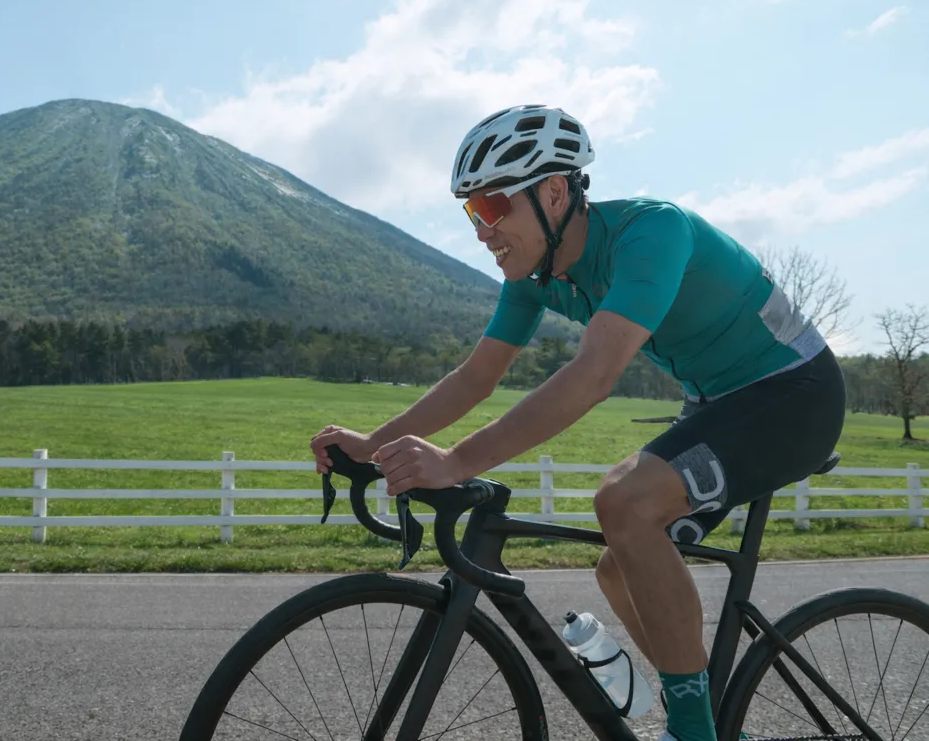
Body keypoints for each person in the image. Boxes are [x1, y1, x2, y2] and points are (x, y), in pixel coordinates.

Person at [310, 104, 846, 741]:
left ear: (555, 193)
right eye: (471, 212)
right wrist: (372, 447)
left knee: (624, 502)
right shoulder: (535, 274)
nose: (482, 230)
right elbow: (475, 378)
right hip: (717, 404)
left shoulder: (652, 231)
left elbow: (594, 375)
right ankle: (697, 714)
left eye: (491, 206)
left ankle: (692, 731)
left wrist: (455, 462)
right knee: (619, 566)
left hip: (795, 393)